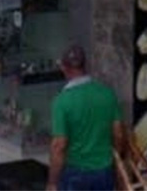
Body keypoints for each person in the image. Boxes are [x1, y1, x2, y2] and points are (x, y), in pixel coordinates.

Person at [46, 46, 123, 191]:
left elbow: (59, 145)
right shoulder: (107, 94)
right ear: (85, 65)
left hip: (75, 172)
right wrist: (113, 160)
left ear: (64, 68)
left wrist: (52, 182)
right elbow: (118, 133)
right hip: (104, 171)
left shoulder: (61, 102)